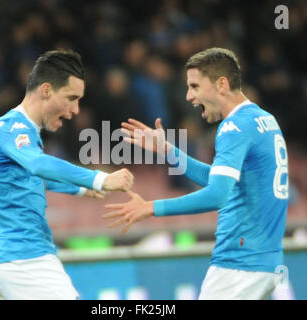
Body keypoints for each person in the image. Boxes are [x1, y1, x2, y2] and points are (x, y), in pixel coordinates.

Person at [104, 48, 289, 300]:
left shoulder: (234, 126)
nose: (189, 96)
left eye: (194, 86)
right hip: (264, 260)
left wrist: (151, 207)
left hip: (239, 263)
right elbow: (220, 180)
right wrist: (168, 151)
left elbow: (216, 195)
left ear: (221, 84)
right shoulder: (264, 119)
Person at [0, 48, 134, 300]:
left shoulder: (19, 134)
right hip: (26, 261)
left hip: (10, 263)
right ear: (46, 90)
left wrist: (81, 188)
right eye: (71, 98)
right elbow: (39, 166)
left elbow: (31, 178)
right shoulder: (12, 127)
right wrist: (100, 178)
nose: (75, 110)